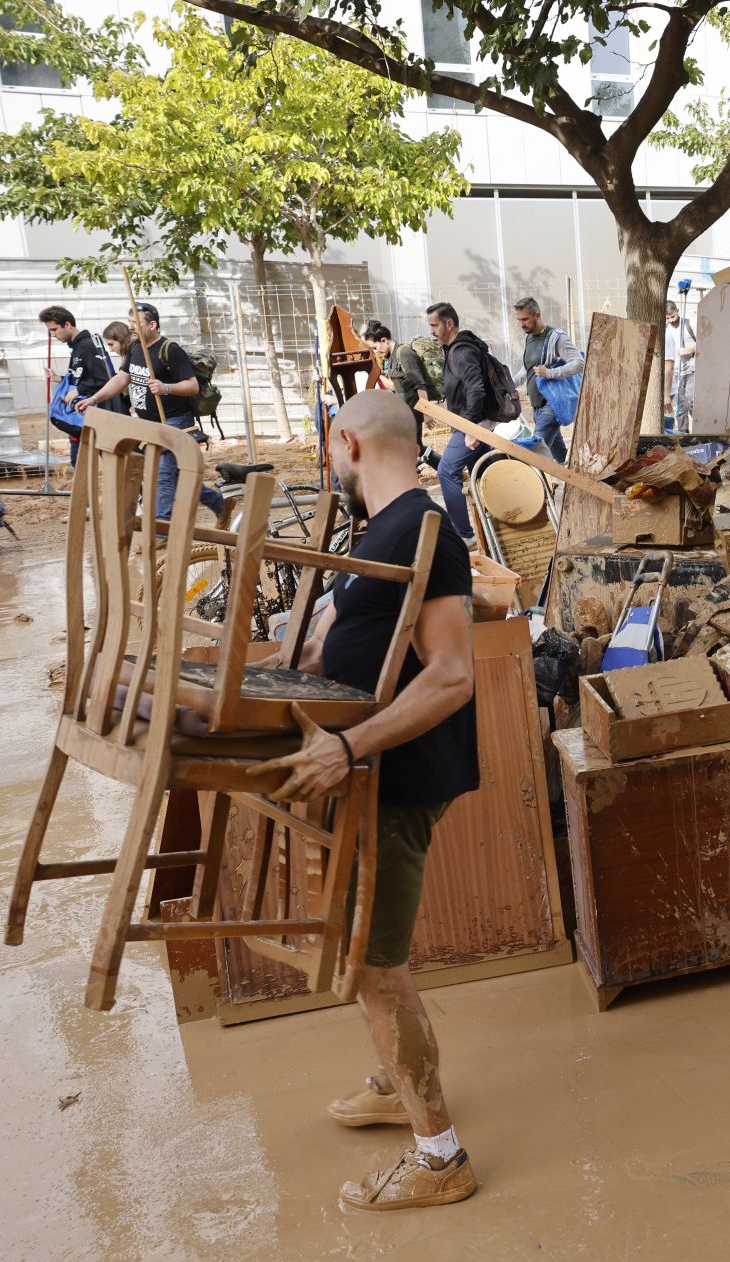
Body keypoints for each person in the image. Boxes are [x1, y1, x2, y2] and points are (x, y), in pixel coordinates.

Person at [247, 390, 480, 1212]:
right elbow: (321, 641)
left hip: (394, 778)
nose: (329, 464)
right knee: (375, 955)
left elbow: (453, 675)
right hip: (370, 771)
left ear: (346, 440)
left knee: (376, 967)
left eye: (327, 449)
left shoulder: (427, 532)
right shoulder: (379, 534)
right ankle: (395, 1081)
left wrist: (348, 745)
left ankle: (439, 1156)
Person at [72, 301, 225, 523]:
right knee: (178, 475)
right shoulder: (136, 348)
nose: (131, 327)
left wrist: (166, 388)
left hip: (175, 421)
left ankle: (161, 527)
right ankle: (218, 503)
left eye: (135, 322)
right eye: (129, 322)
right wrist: (94, 399)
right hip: (149, 425)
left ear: (152, 325)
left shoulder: (170, 350)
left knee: (162, 474)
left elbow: (191, 385)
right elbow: (122, 378)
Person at [427, 302, 499, 542]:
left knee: (447, 471)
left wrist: (470, 429)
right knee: (483, 475)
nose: (432, 331)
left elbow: (476, 390)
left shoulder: (462, 351)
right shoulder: (455, 349)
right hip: (468, 423)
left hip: (472, 423)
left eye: (434, 325)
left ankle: (464, 535)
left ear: (449, 323)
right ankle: (498, 527)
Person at [40, 305, 111, 467]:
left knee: (95, 462)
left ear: (67, 324)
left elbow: (104, 378)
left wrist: (80, 390)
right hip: (80, 414)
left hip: (93, 413)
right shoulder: (77, 347)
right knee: (79, 463)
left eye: (54, 329)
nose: (53, 335)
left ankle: (136, 492)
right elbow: (82, 376)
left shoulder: (87, 346)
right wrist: (58, 377)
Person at [514, 297, 583, 464]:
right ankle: (570, 479)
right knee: (558, 455)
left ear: (537, 315)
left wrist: (550, 373)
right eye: (519, 320)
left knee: (533, 456)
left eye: (525, 319)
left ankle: (536, 489)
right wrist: (508, 384)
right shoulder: (528, 338)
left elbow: (578, 363)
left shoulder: (556, 337)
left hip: (551, 405)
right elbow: (527, 368)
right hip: (537, 406)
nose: (522, 324)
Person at [364, 321, 439, 413]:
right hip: (404, 410)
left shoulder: (404, 353)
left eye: (375, 348)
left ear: (383, 340)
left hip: (414, 412)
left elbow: (419, 385)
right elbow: (395, 386)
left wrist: (427, 413)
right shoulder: (390, 357)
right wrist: (376, 374)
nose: (375, 352)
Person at [662, 299, 696, 433]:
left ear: (678, 311)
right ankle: (683, 436)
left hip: (691, 369)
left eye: (673, 316)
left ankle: (701, 432)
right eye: (667, 318)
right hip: (676, 373)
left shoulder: (689, 324)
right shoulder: (666, 329)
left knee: (691, 401)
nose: (670, 320)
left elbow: (706, 343)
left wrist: (690, 350)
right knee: (680, 408)